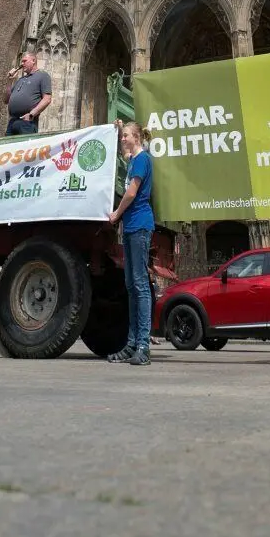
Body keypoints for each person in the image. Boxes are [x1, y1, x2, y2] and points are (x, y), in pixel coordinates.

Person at [107, 122, 155, 366]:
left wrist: (116, 213)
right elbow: (122, 154)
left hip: (140, 225)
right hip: (131, 227)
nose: (123, 139)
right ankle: (131, 343)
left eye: (126, 136)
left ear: (136, 138)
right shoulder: (133, 158)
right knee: (130, 285)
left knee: (140, 285)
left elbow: (132, 192)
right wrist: (116, 131)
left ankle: (143, 346)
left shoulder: (143, 159)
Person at [3, 52, 52, 136]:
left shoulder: (42, 75)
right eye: (21, 62)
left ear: (33, 61)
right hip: (12, 122)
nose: (22, 64)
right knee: (8, 148)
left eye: (24, 61)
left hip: (27, 123)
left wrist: (31, 114)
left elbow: (47, 99)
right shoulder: (20, 79)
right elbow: (6, 100)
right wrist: (9, 81)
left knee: (24, 148)